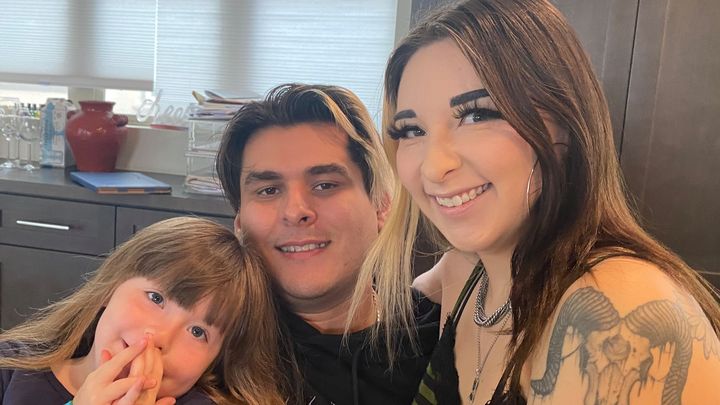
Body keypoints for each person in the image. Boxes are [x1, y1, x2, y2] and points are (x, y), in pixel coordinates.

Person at [355, 0, 720, 404]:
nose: (434, 167)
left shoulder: (616, 309)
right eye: (412, 130)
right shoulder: (466, 273)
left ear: (564, 126)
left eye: (477, 115)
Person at [215, 83, 441, 405]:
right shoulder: (207, 353)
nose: (295, 212)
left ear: (381, 206)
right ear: (239, 224)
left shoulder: (443, 339)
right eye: (268, 190)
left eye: (324, 185)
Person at [0, 217, 286, 405]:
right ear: (110, 287)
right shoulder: (11, 366)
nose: (161, 338)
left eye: (198, 332)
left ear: (216, 361)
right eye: (155, 298)